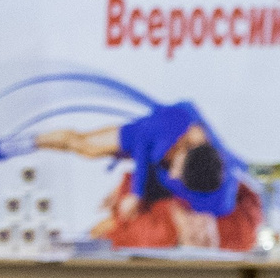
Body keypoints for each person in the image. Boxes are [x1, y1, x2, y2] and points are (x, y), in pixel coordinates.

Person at [29, 102, 259, 250]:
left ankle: (72, 245)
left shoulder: (220, 194)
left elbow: (169, 188)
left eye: (179, 179)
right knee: (85, 146)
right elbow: (142, 146)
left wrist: (126, 192)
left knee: (117, 222)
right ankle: (33, 141)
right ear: (183, 151)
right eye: (177, 170)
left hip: (156, 169)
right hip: (141, 139)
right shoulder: (178, 120)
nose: (175, 176)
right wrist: (135, 192)